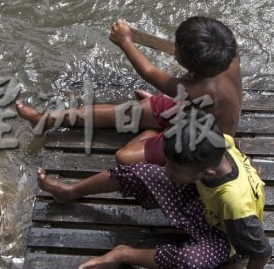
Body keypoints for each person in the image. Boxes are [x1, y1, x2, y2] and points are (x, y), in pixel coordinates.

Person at [37, 107, 271, 269]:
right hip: (202, 199)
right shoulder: (222, 142)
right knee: (136, 172)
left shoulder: (235, 204)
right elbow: (235, 151)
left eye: (175, 168)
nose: (167, 169)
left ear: (208, 172)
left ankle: (124, 254)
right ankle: (70, 191)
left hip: (222, 234)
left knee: (188, 260)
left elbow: (262, 251)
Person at [16, 16, 243, 166]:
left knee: (125, 158)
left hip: (204, 140)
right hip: (193, 113)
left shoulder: (197, 88)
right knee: (127, 112)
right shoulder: (228, 54)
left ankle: (154, 133)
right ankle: (45, 120)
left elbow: (149, 71)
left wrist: (125, 41)